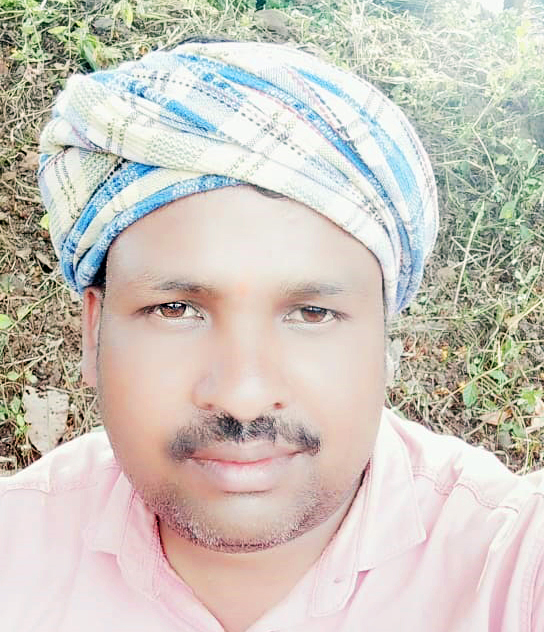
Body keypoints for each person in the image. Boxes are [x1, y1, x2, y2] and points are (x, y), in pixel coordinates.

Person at [1, 38, 543, 632]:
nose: (243, 397)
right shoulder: (15, 550)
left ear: (384, 344)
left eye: (312, 314)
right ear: (93, 333)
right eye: (175, 310)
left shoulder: (510, 563)